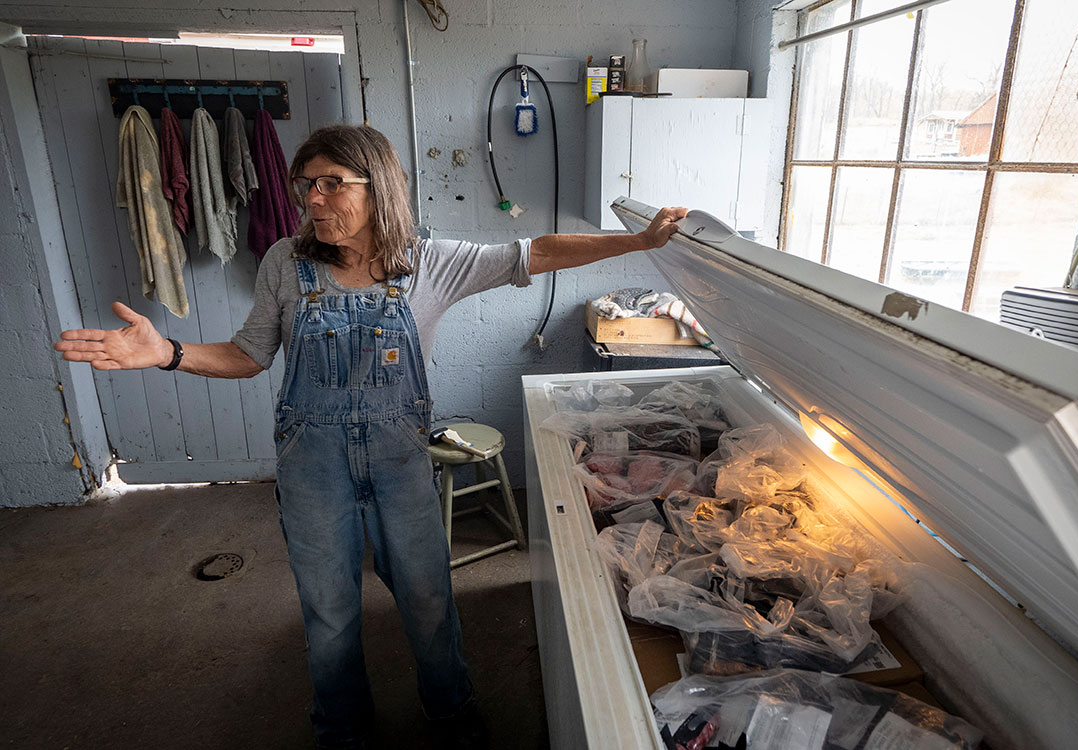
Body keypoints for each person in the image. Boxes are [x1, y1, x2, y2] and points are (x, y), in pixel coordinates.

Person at [54, 124, 688, 750]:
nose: (314, 200)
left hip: (399, 465)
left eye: (332, 184)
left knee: (428, 600)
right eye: (307, 185)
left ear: (378, 185)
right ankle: (342, 727)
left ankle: (451, 711)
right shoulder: (286, 262)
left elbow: (538, 251)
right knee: (329, 614)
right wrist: (167, 351)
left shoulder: (430, 261)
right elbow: (249, 355)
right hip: (312, 470)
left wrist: (639, 241)